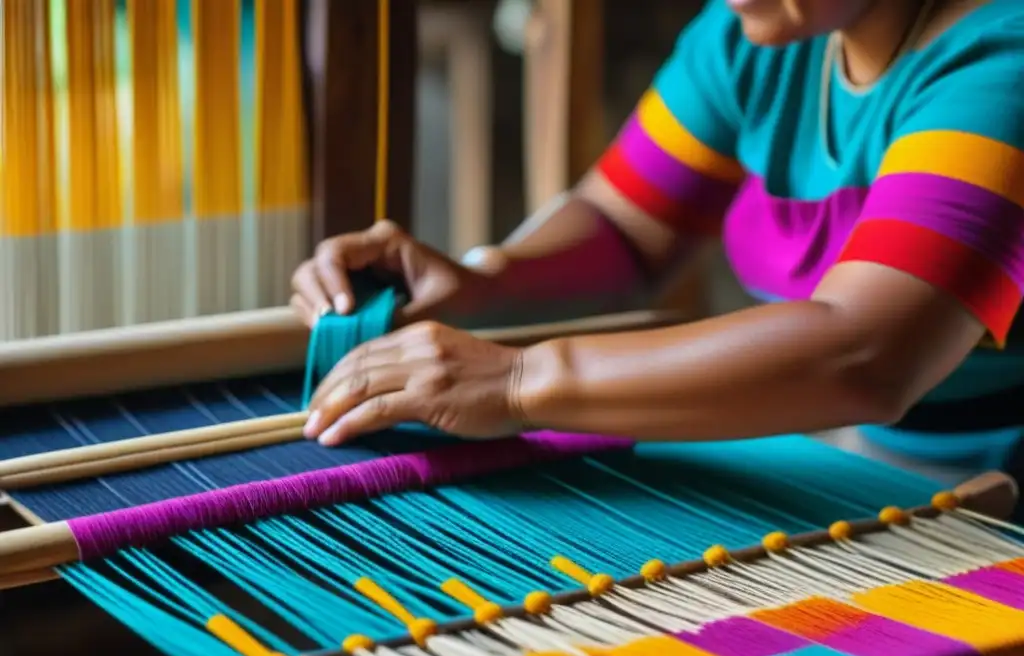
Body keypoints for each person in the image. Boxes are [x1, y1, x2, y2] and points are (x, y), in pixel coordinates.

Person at [291, 0, 1024, 495]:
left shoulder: (1004, 61)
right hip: (881, 476)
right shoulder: (757, 34)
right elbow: (625, 226)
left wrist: (518, 381)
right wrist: (484, 281)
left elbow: (867, 355)